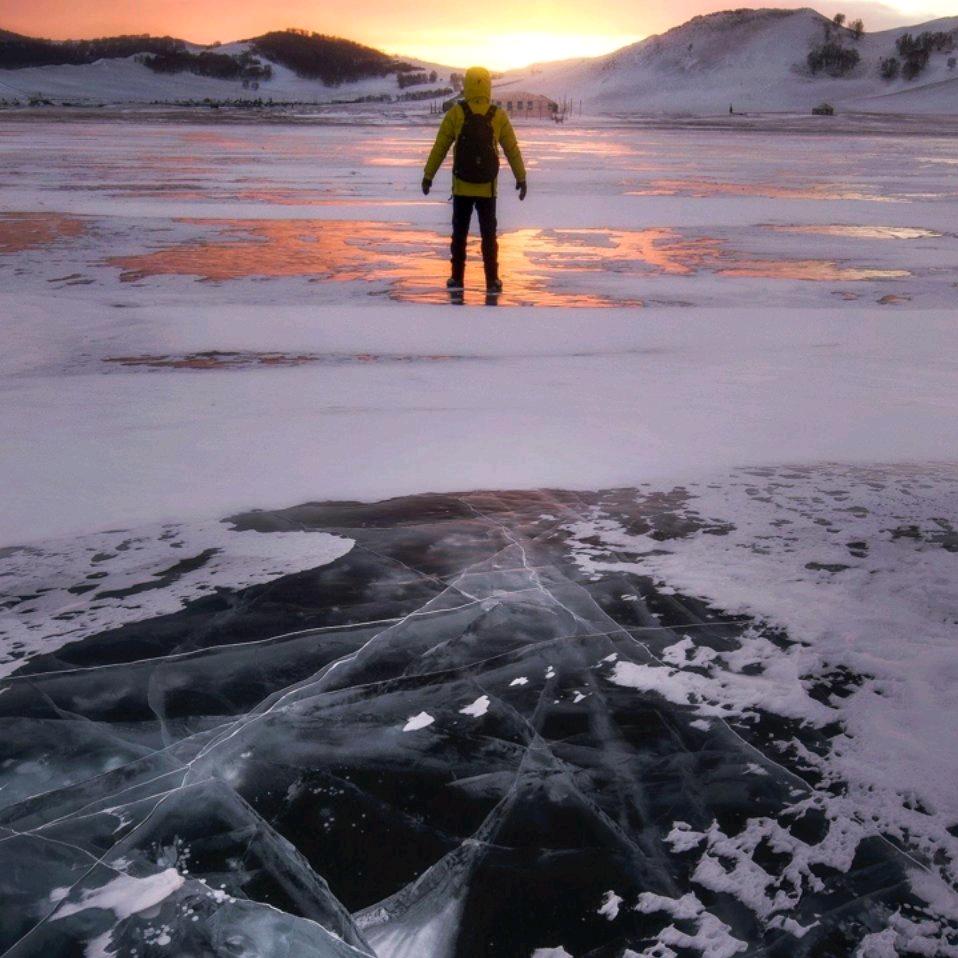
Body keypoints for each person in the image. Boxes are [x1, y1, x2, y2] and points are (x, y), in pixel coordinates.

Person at [421, 66, 527, 294]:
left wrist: (428, 176)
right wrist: (521, 177)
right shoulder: (497, 115)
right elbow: (511, 149)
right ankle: (492, 280)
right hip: (487, 189)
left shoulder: (457, 113)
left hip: (462, 187)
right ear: (488, 86)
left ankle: (457, 278)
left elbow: (439, 147)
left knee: (459, 235)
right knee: (489, 236)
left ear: (466, 85)